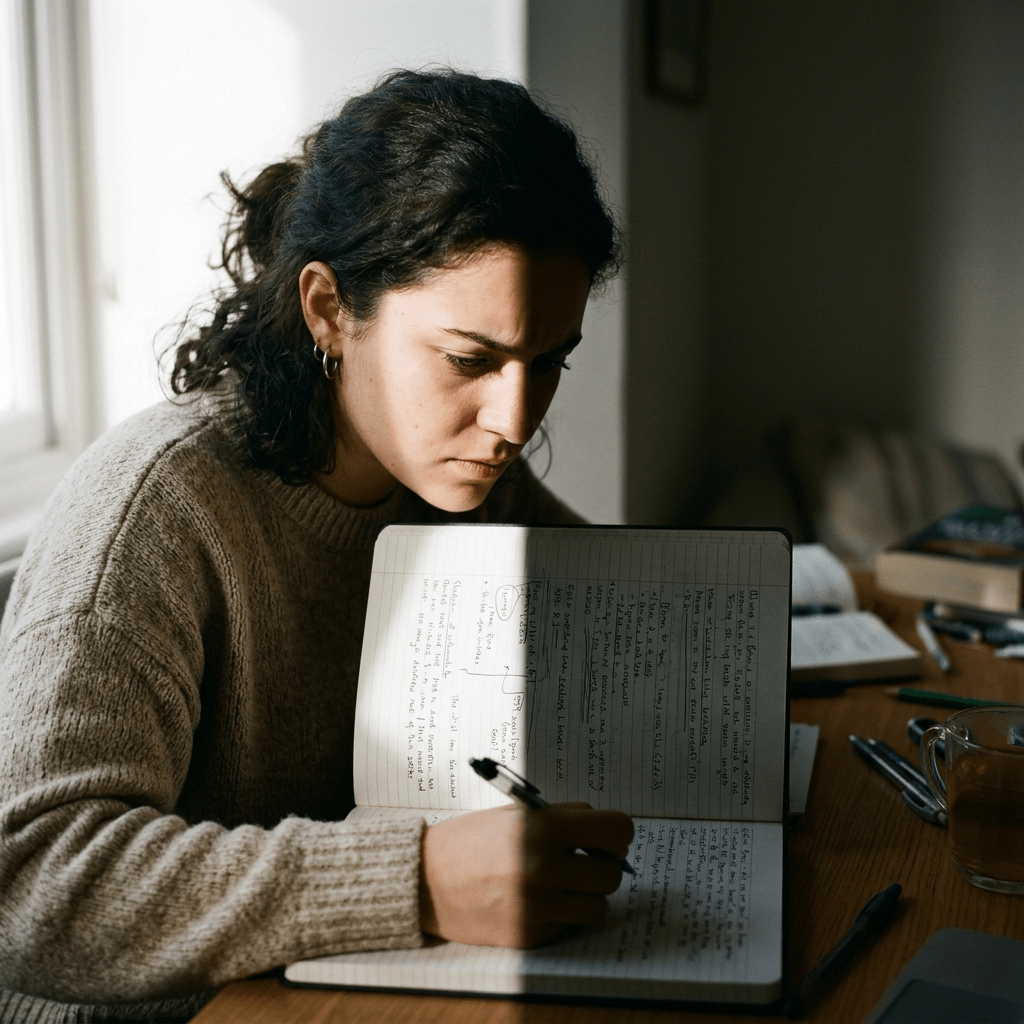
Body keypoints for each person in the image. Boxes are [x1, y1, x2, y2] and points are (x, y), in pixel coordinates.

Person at [0, 69, 633, 1022]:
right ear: (330, 311)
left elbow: (614, 612)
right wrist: (413, 877)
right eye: (471, 359)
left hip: (354, 986)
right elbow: (33, 887)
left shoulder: (463, 468)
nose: (512, 419)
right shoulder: (157, 508)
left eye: (549, 362)